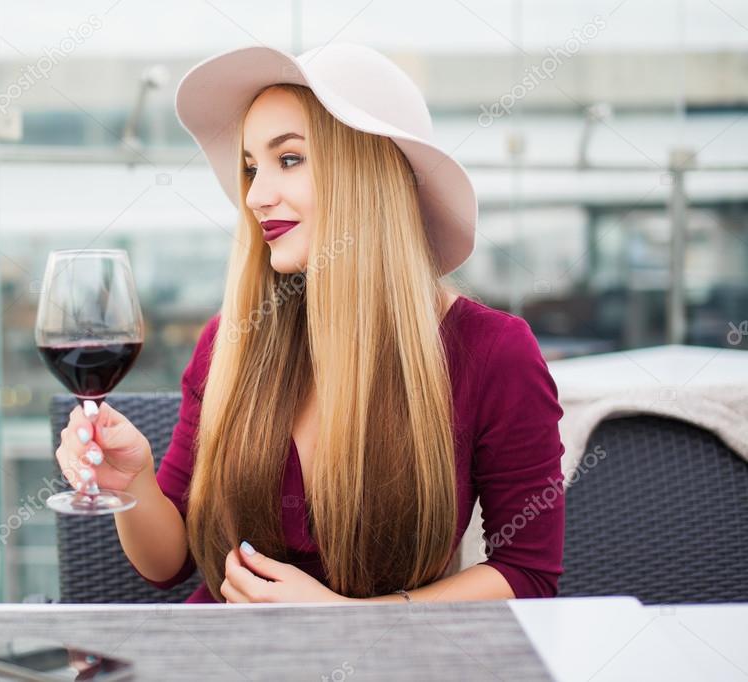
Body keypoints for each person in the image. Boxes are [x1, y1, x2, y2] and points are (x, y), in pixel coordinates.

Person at [56, 44, 565, 604]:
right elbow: (167, 563)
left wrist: (350, 619)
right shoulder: (232, 340)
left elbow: (526, 573)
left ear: (366, 173)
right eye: (251, 167)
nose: (255, 195)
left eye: (289, 159)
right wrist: (134, 482)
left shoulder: (492, 351)